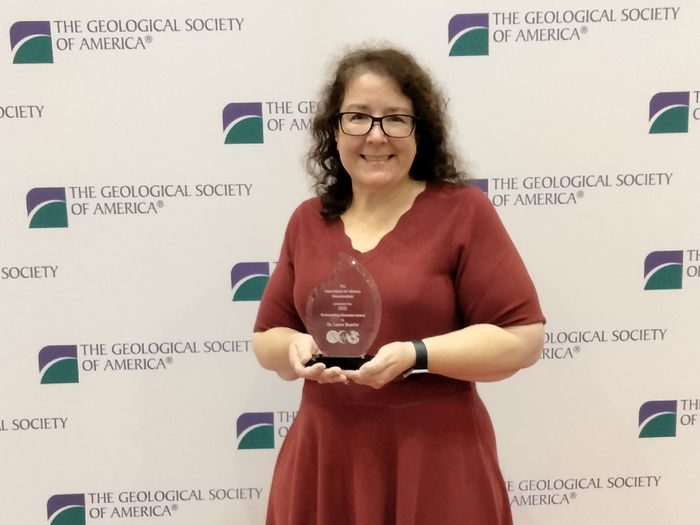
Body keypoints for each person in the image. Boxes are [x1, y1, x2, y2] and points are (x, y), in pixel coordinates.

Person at [252, 45, 545, 525]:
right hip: (325, 458)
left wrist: (416, 354)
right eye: (359, 118)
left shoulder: (463, 213)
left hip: (437, 460)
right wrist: (294, 350)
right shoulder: (307, 222)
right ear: (335, 129)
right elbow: (266, 339)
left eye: (395, 119)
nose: (376, 135)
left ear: (419, 131)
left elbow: (522, 338)